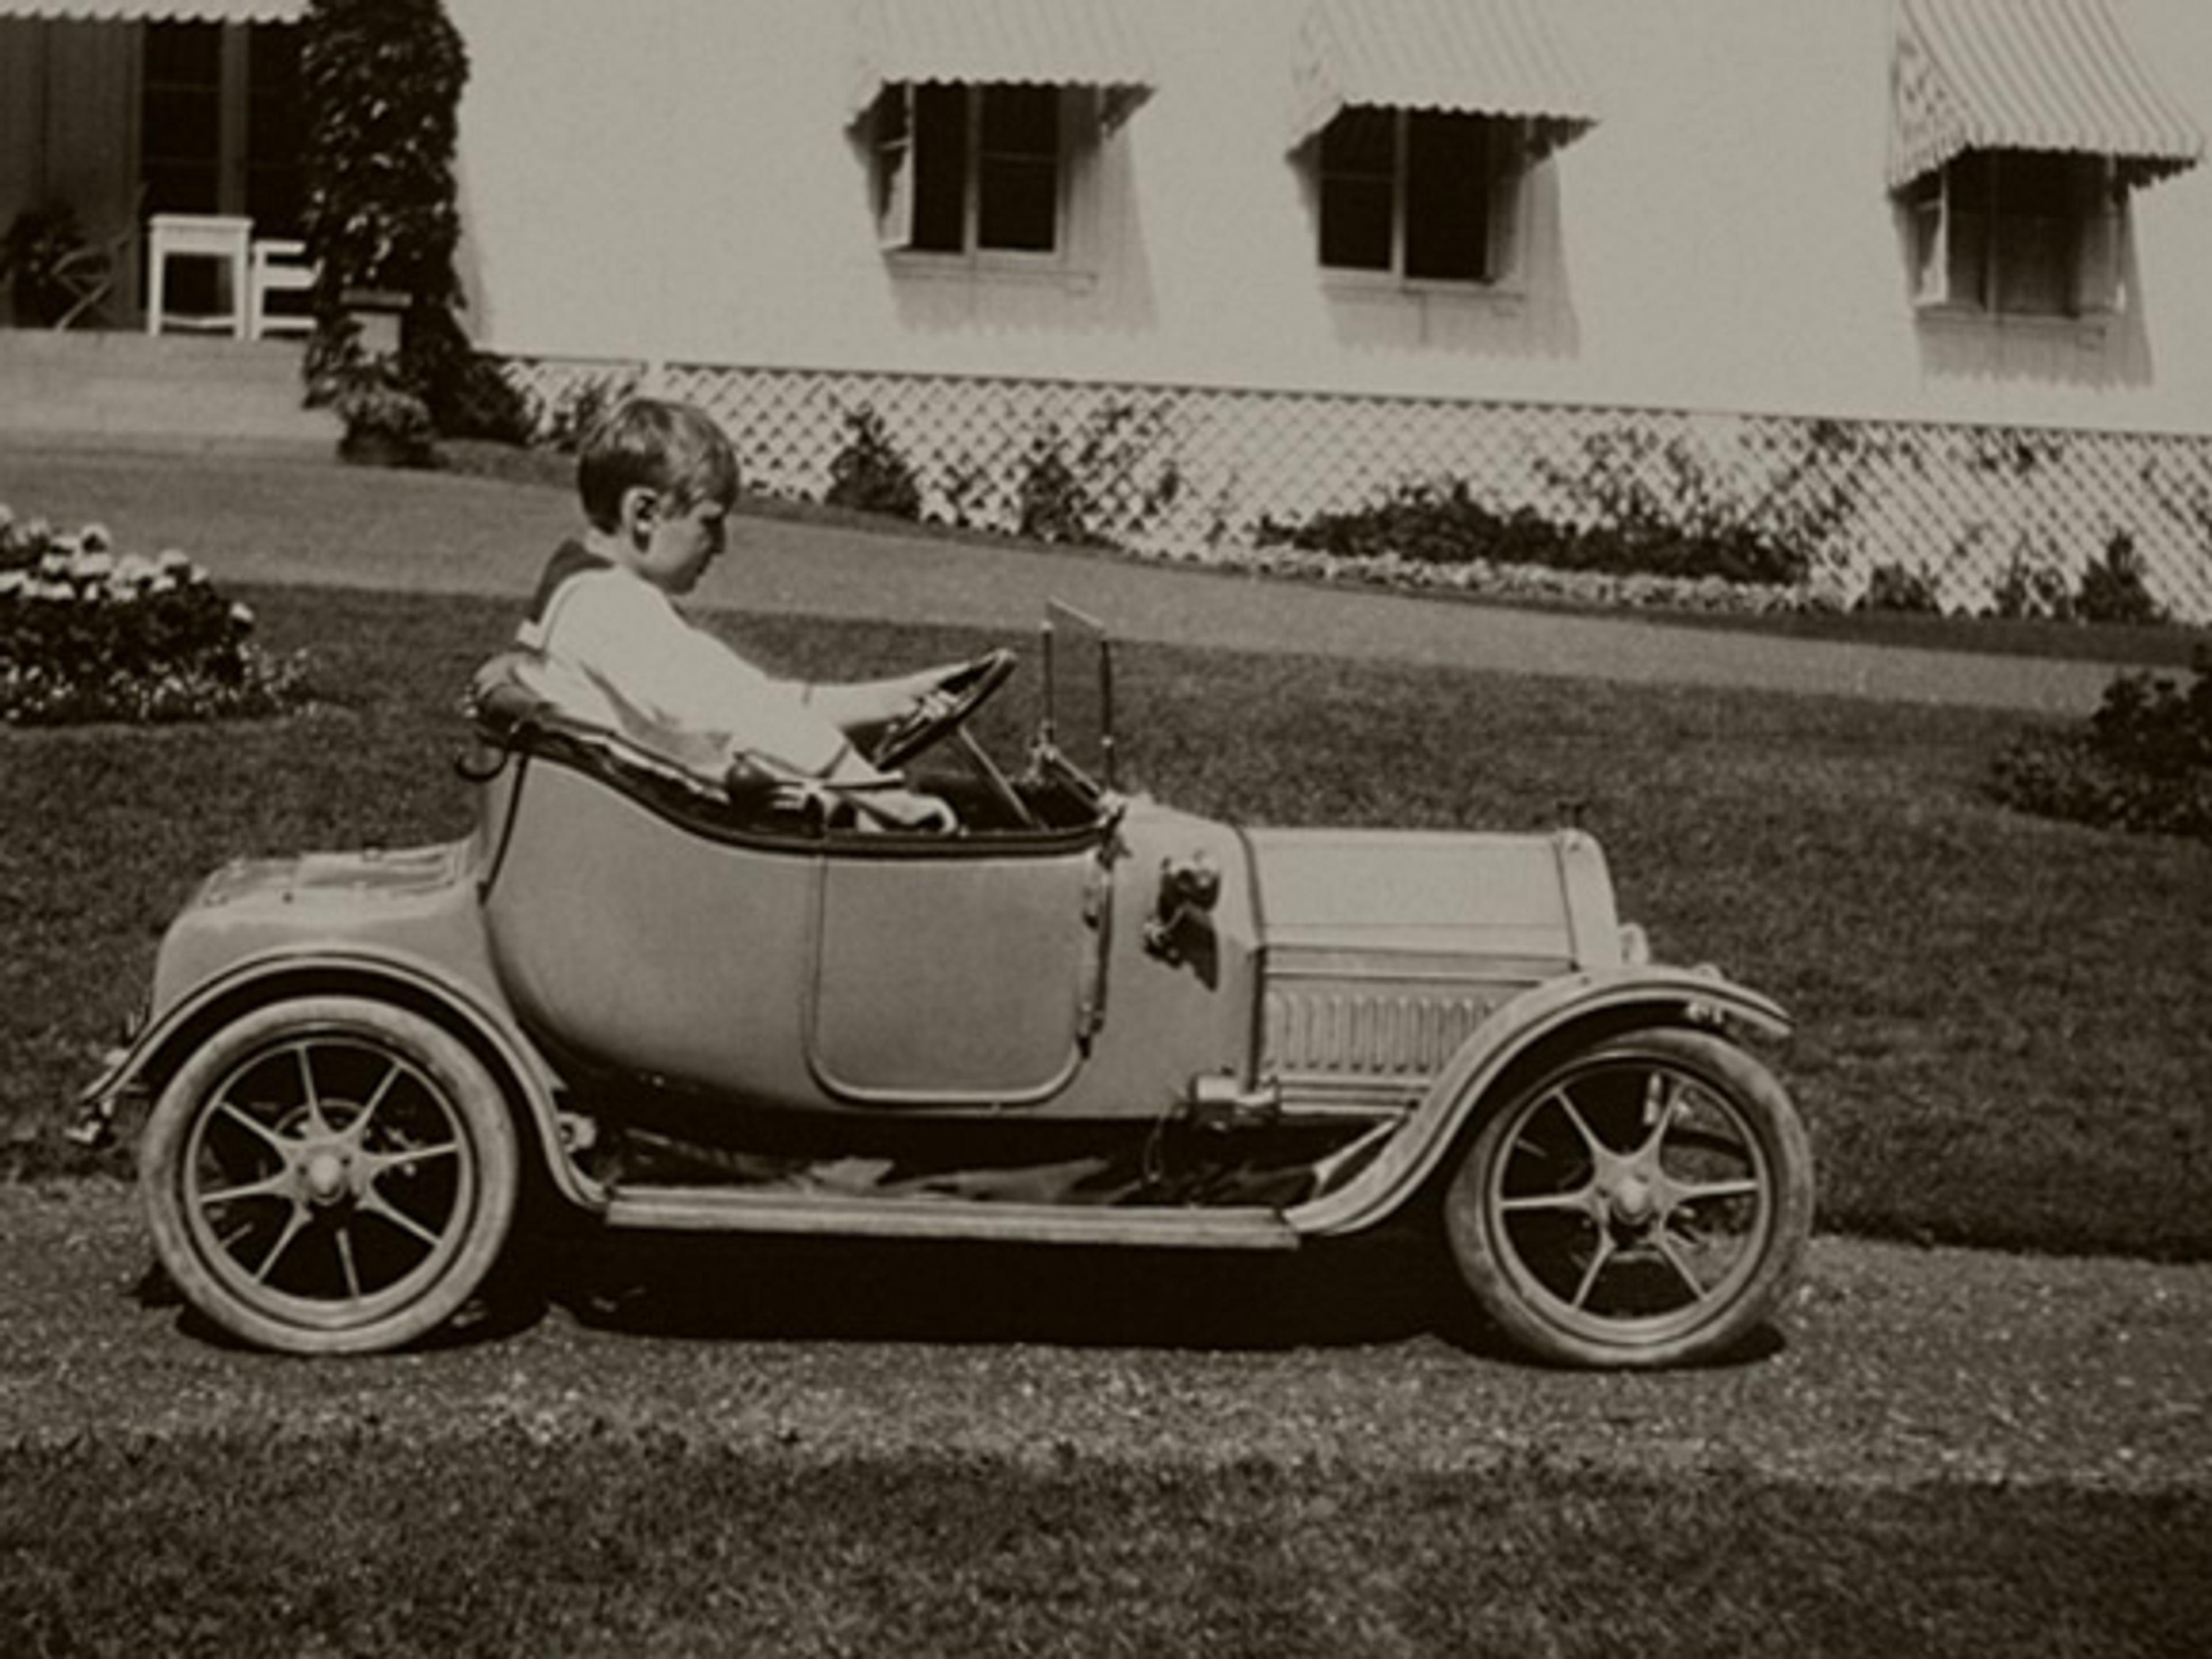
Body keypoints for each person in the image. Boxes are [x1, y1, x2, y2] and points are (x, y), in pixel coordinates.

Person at [514, 396, 962, 828]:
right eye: (709, 522)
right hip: (652, 839)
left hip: (639, 822)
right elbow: (742, 714)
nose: (722, 545)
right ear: (644, 513)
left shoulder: (591, 593)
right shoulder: (612, 610)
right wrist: (884, 796)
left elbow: (753, 697)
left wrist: (892, 701)